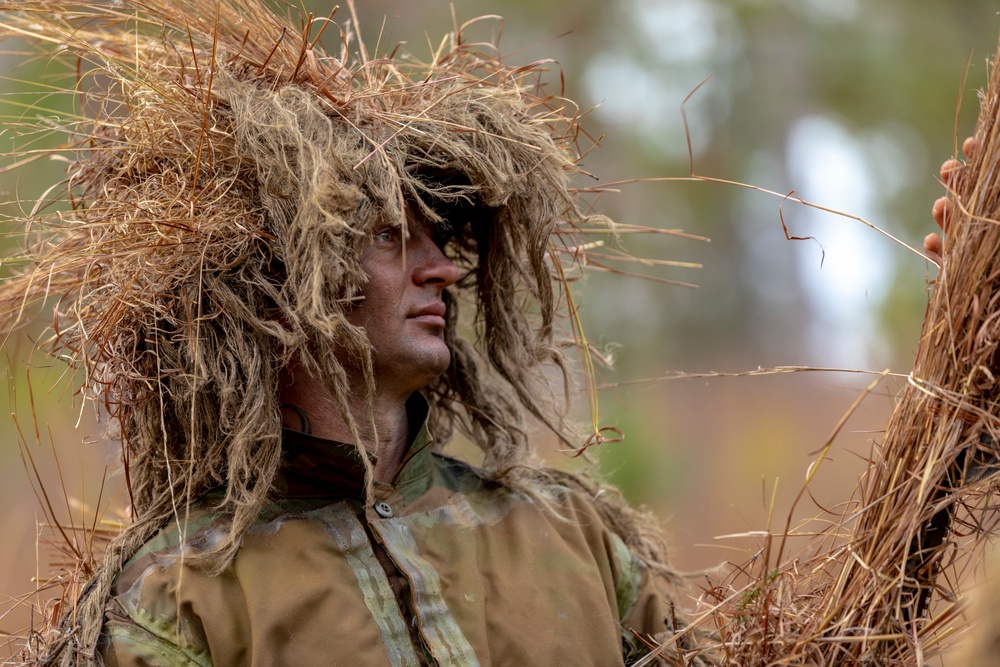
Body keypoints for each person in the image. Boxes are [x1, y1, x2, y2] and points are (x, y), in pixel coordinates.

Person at [0, 2, 700, 665]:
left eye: (443, 238)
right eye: (392, 236)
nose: (441, 272)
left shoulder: (574, 536)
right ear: (280, 287)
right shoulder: (181, 597)